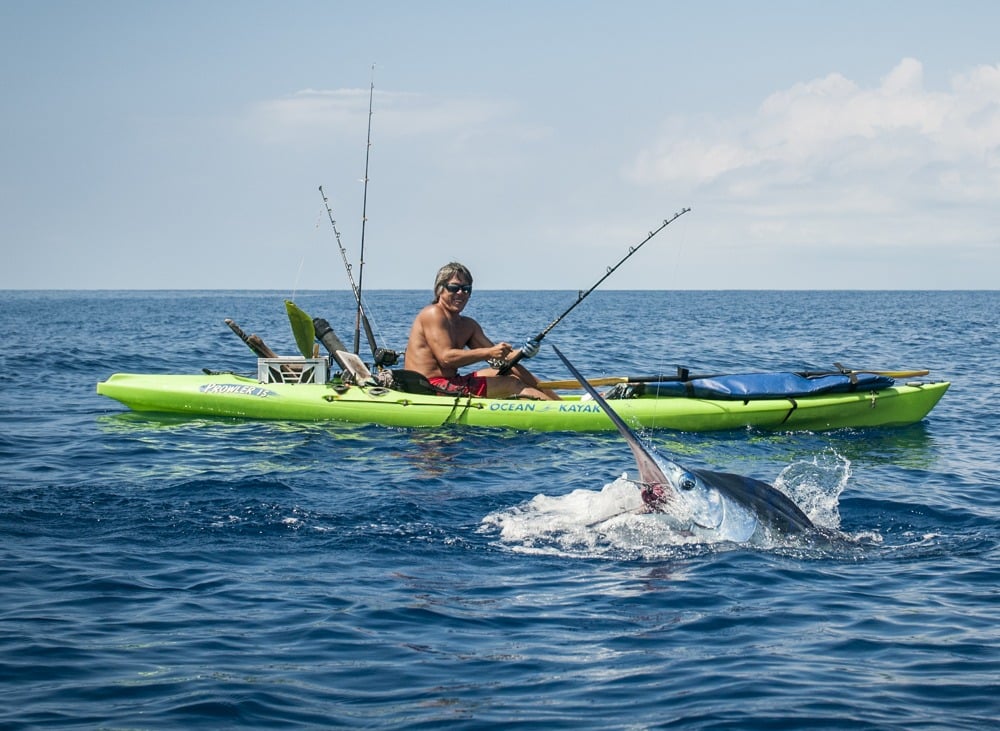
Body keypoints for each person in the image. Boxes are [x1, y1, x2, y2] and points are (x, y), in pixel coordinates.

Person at [404, 262, 560, 400]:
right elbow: (446, 358)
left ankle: (559, 403)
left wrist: (524, 352)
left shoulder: (468, 325)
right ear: (439, 290)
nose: (461, 293)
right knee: (512, 383)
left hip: (452, 382)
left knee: (512, 369)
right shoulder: (433, 313)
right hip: (428, 387)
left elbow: (500, 358)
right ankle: (557, 413)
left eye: (466, 289)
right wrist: (489, 352)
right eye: (454, 288)